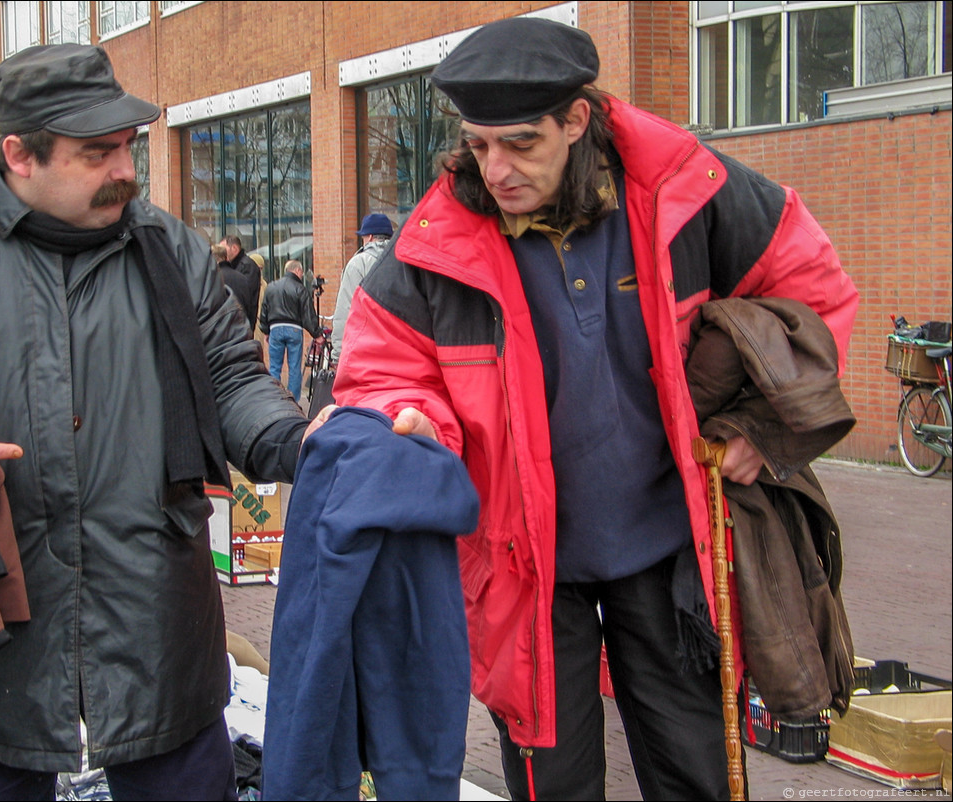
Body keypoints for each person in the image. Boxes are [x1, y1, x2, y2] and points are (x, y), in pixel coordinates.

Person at [330, 17, 858, 801]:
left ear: (577, 120)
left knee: (696, 771)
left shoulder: (687, 186)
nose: (496, 169)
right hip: (525, 571)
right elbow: (378, 371)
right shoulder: (435, 241)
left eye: (519, 143)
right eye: (478, 146)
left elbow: (816, 289)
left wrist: (760, 427)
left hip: (668, 549)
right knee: (555, 784)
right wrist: (414, 423)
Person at [0, 43, 314, 802]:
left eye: (127, 146)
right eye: (96, 152)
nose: (125, 170)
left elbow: (232, 379)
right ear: (19, 154)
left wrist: (302, 441)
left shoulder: (170, 249)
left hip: (157, 615)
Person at [330, 213, 393, 365]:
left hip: (366, 353)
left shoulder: (358, 264)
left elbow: (345, 311)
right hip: (399, 353)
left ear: (370, 237)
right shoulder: (403, 263)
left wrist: (338, 354)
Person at [258, 259, 320, 401]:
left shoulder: (271, 287)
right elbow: (308, 314)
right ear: (297, 271)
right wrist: (316, 333)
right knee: (294, 369)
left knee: (274, 367)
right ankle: (293, 402)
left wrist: (266, 330)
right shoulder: (300, 289)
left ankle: (274, 400)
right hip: (294, 329)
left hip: (275, 328)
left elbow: (264, 310)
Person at [213, 243, 258, 327]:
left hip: (220, 327)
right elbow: (250, 304)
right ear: (226, 257)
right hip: (240, 326)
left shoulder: (213, 278)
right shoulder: (242, 278)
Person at [221, 234, 261, 316]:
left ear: (234, 248)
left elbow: (245, 296)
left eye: (224, 250)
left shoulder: (247, 266)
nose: (222, 253)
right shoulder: (235, 266)